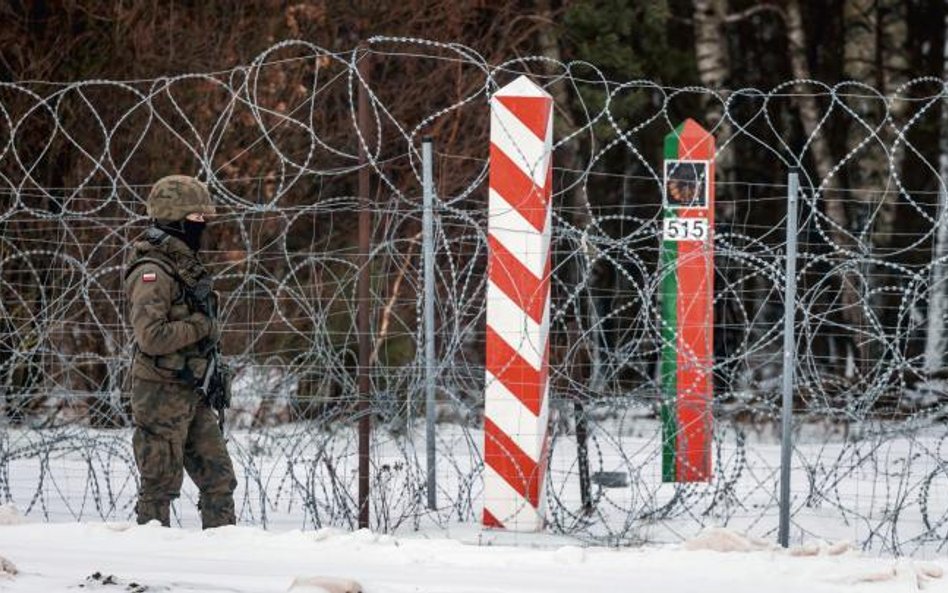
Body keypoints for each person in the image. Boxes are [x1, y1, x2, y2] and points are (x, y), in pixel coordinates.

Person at [124, 175, 236, 529]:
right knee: (159, 487)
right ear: (175, 219)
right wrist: (202, 326)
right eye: (198, 220)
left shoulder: (184, 267)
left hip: (193, 390)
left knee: (219, 480)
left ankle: (222, 559)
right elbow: (151, 337)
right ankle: (149, 569)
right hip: (160, 393)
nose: (203, 228)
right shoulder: (152, 272)